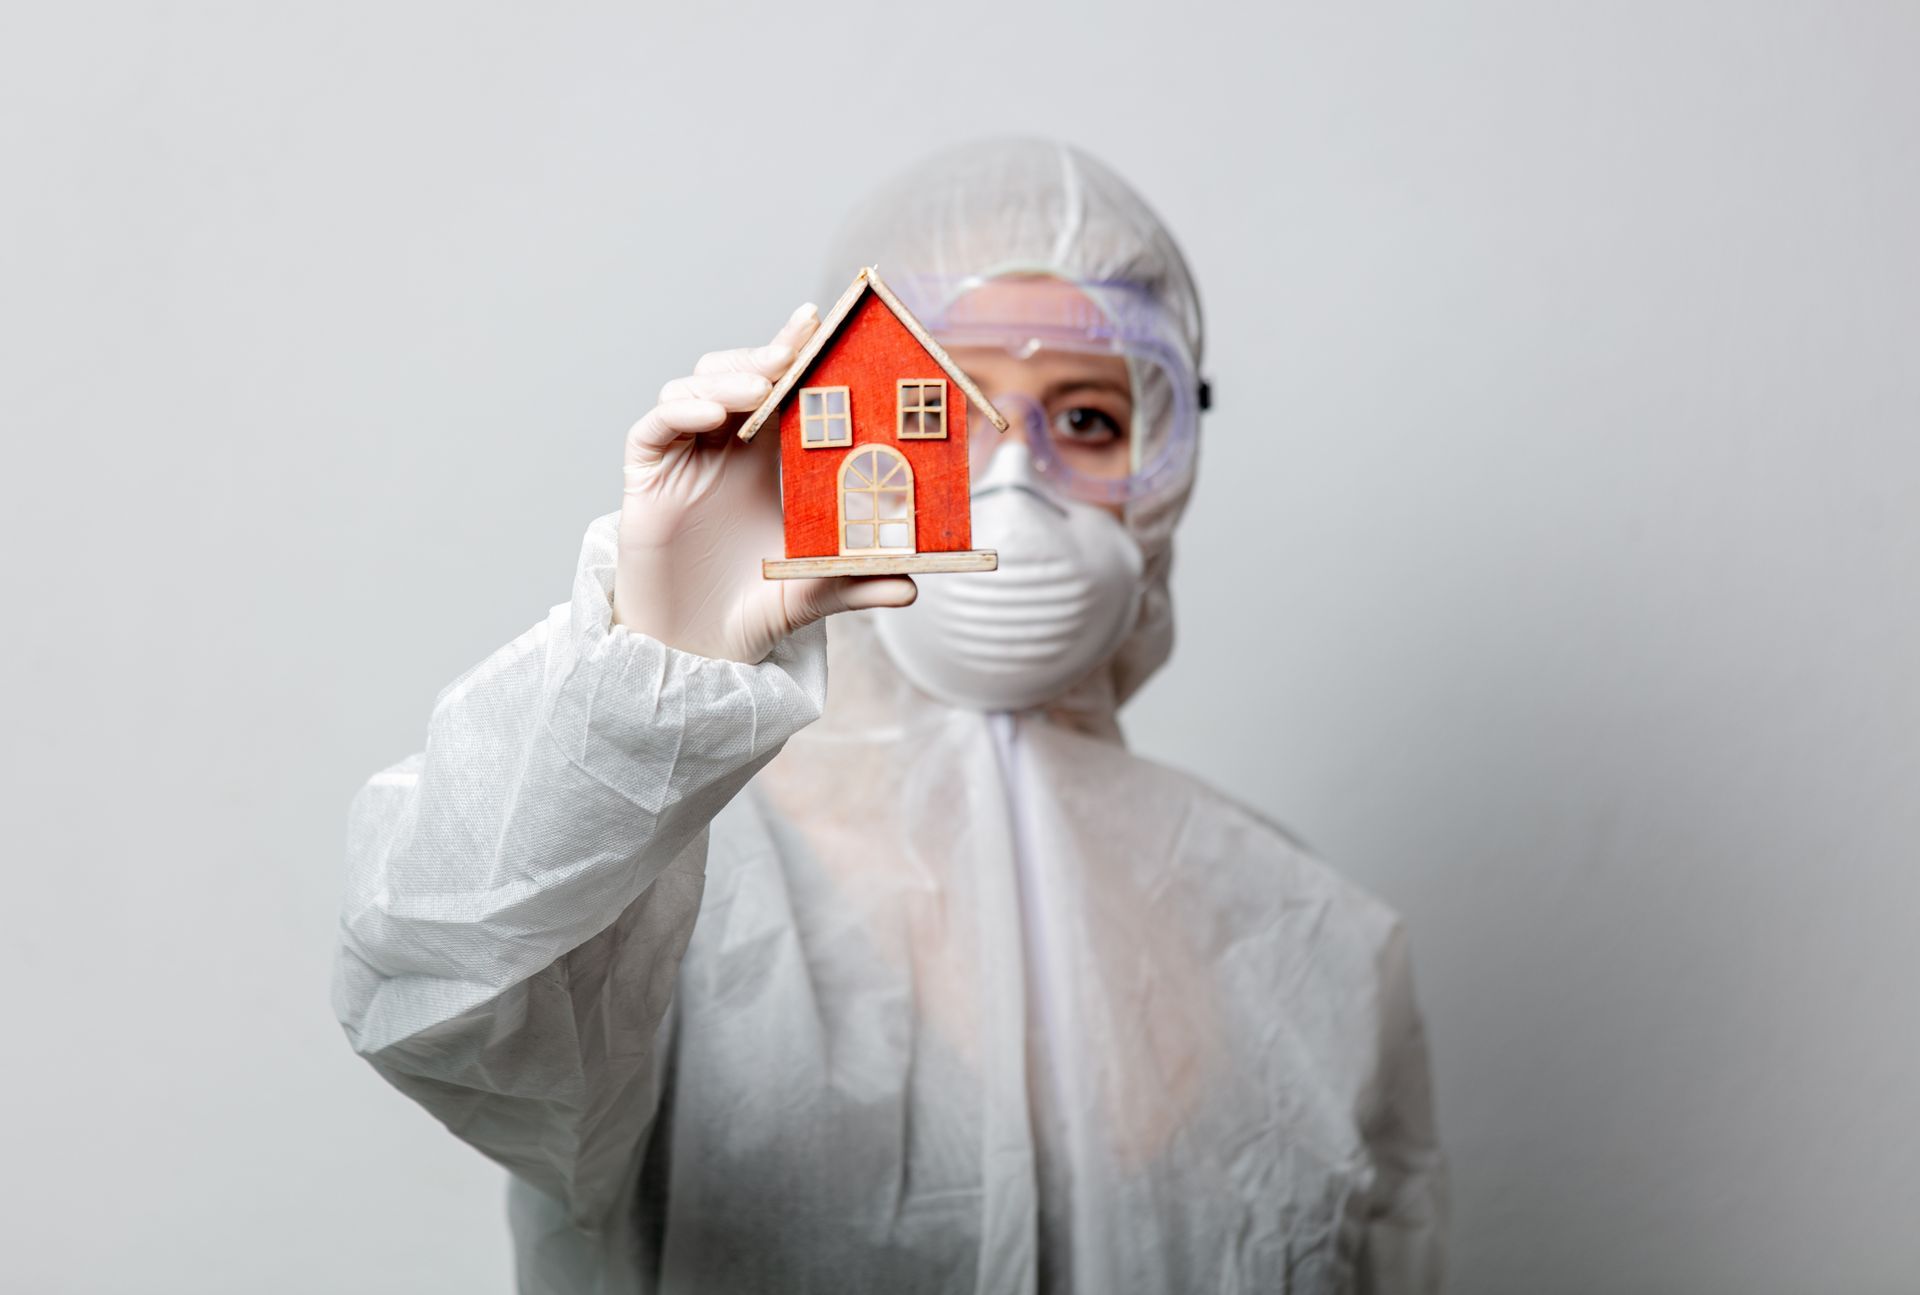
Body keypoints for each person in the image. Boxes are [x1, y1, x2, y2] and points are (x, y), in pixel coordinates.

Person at [333, 138, 1447, 1294]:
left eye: (1089, 420)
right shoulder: (675, 871)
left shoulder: (1307, 935)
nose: (1017, 477)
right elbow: (426, 977)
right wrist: (647, 669)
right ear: (844, 421)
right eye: (954, 408)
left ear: (1166, 467)